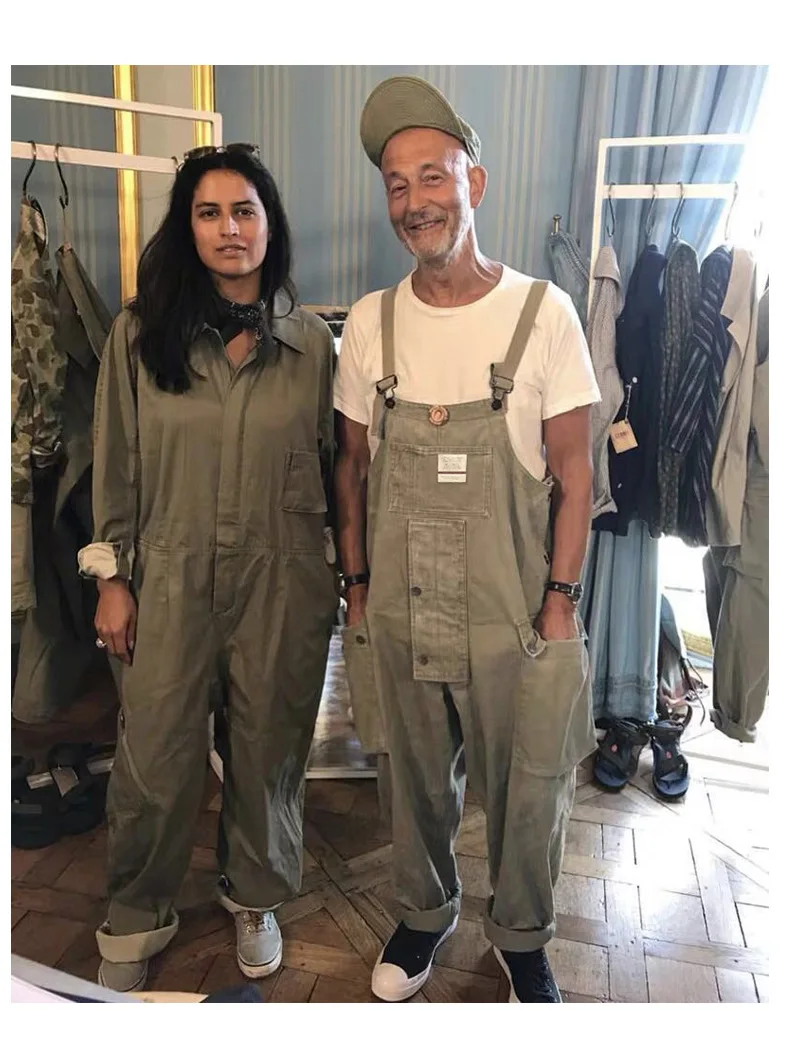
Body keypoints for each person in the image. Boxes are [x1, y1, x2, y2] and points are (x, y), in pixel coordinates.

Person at [334, 77, 601, 1003]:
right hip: (401, 606)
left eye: (432, 177)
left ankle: (521, 937)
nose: (415, 202)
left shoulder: (544, 314)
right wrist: (358, 589)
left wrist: (560, 605)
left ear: (473, 184)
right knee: (410, 778)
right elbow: (349, 468)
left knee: (528, 787)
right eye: (396, 184)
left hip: (513, 613)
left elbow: (577, 473)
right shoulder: (370, 324)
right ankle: (423, 912)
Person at [78, 144, 337, 993]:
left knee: (268, 755)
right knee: (155, 756)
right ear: (187, 229)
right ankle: (136, 913)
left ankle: (254, 896)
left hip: (282, 584)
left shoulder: (312, 346)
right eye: (209, 212)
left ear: (271, 225)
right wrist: (112, 579)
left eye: (245, 211)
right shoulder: (139, 336)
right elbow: (116, 463)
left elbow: (339, 471)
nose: (230, 229)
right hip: (167, 579)